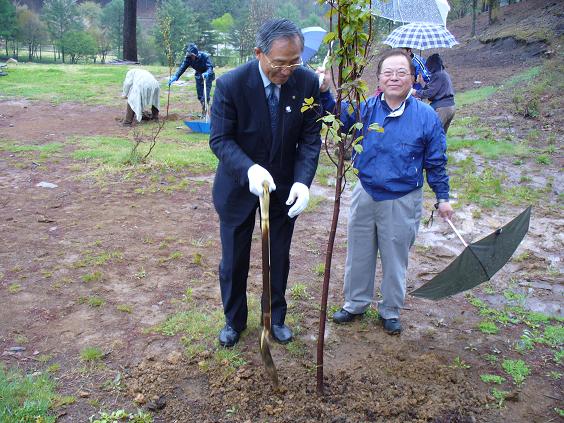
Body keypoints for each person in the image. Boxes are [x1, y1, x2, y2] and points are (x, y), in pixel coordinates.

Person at [318, 49, 453, 335]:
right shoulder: (367, 108)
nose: (394, 78)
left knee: (395, 258)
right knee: (359, 252)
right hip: (365, 192)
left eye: (401, 72)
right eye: (388, 73)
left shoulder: (426, 116)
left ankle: (390, 309)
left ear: (413, 78)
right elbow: (338, 118)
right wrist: (326, 90)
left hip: (402, 198)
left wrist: (442, 197)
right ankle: (355, 303)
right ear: (379, 78)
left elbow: (436, 161)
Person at [209, 19, 322, 347]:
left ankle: (274, 318)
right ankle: (234, 320)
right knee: (234, 259)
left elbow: (310, 138)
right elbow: (220, 139)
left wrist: (303, 182)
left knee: (278, 257)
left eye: (295, 61)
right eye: (280, 62)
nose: (287, 70)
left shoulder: (306, 82)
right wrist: (249, 170)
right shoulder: (231, 84)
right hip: (237, 187)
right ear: (259, 53)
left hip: (284, 188)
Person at [414, 53, 456, 134]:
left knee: (434, 133)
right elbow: (432, 88)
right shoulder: (442, 73)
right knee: (441, 134)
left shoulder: (438, 75)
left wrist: (415, 92)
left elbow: (430, 93)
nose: (428, 69)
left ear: (432, 65)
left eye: (429, 66)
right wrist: (422, 82)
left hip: (443, 108)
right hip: (450, 107)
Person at [168, 43, 215, 115]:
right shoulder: (188, 59)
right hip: (199, 75)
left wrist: (207, 73)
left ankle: (205, 111)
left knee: (205, 94)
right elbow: (182, 67)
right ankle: (203, 106)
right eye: (189, 55)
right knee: (200, 95)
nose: (190, 57)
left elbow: (210, 67)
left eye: (191, 55)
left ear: (195, 54)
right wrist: (176, 76)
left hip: (207, 75)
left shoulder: (205, 56)